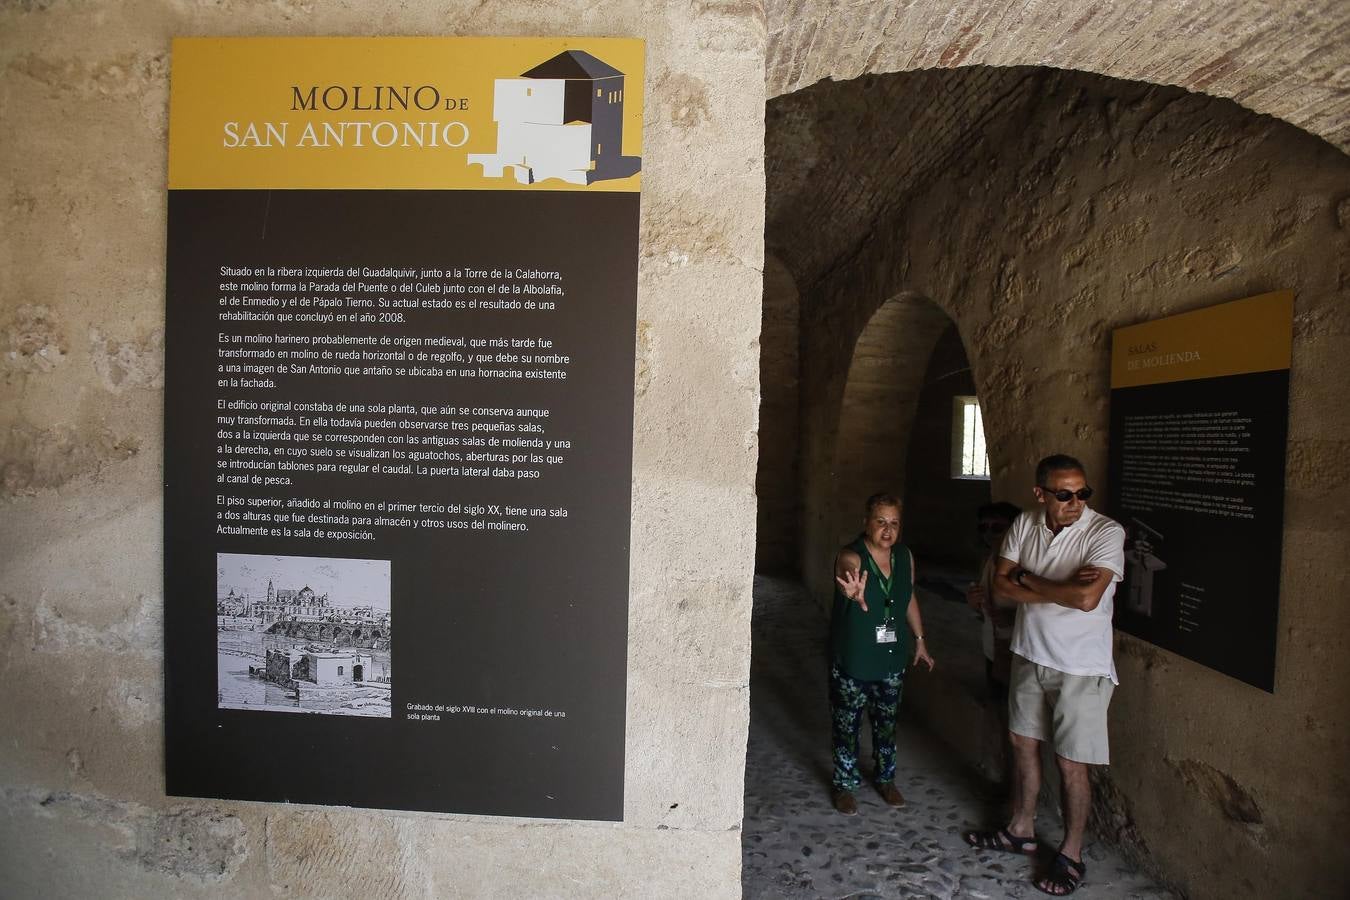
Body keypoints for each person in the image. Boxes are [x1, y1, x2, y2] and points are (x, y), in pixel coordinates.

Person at [962, 455, 1125, 897]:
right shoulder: (1025, 525)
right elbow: (1000, 587)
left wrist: (1028, 578)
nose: (1076, 502)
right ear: (1041, 494)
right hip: (1029, 654)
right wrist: (1060, 588)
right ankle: (1021, 827)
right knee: (1022, 743)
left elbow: (1088, 600)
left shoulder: (1106, 532)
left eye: (1082, 493)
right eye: (1065, 494)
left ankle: (1071, 854)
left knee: (1071, 763)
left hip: (1080, 666)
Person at [829, 492, 935, 816]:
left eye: (894, 523)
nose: (887, 530)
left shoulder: (904, 556)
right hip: (855, 657)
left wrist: (919, 639)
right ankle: (845, 785)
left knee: (887, 722)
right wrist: (851, 588)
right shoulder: (853, 555)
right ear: (866, 523)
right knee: (847, 723)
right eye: (880, 522)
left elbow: (906, 597)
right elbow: (847, 570)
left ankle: (886, 778)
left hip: (891, 657)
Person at [967, 501, 1023, 697]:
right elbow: (982, 607)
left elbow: (1047, 606)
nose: (989, 534)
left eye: (997, 528)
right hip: (992, 648)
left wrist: (1014, 618)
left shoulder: (1025, 566)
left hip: (1018, 651)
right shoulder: (989, 560)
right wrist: (975, 603)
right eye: (984, 528)